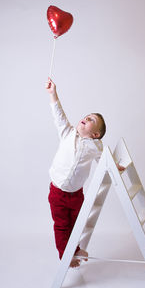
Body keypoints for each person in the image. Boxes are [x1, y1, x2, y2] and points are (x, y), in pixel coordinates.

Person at [46, 78, 125, 268]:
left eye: (92, 120)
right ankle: (65, 256)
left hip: (76, 194)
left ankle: (75, 249)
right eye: (87, 116)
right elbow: (59, 115)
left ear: (95, 134)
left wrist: (115, 166)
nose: (86, 118)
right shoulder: (67, 132)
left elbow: (103, 159)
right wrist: (53, 94)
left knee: (76, 224)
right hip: (57, 192)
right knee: (62, 225)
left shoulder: (95, 146)